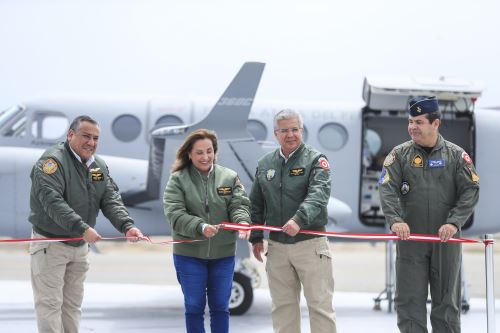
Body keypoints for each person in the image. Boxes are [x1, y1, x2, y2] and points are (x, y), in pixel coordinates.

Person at [28, 115, 145, 333]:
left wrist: (127, 226)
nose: (91, 142)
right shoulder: (52, 163)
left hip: (79, 248)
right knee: (50, 306)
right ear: (70, 135)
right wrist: (81, 228)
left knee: (72, 306)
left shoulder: (98, 167)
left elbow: (110, 199)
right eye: (86, 136)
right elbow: (52, 202)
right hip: (51, 246)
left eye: (95, 138)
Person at [379, 96, 480, 332]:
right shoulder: (399, 155)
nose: (412, 127)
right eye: (410, 121)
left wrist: (454, 223)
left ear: (436, 124)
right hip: (410, 240)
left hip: (445, 240)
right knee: (409, 302)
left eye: (419, 122)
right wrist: (395, 220)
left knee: (447, 303)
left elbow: (471, 190)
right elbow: (387, 188)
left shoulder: (456, 156)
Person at [249, 109, 337, 333]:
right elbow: (256, 203)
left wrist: (299, 219)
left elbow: (319, 194)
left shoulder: (316, 160)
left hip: (311, 244)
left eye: (295, 129)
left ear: (302, 130)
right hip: (277, 247)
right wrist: (256, 237)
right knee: (282, 308)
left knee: (320, 307)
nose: (290, 135)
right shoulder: (265, 163)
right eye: (285, 130)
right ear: (276, 133)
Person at [163, 128, 251, 333]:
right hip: (189, 256)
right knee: (194, 306)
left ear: (215, 152)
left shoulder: (229, 177)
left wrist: (242, 222)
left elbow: (239, 205)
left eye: (209, 151)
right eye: (199, 152)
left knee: (221, 306)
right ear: (189, 154)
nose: (205, 157)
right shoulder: (178, 180)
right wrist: (200, 227)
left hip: (223, 254)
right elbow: (174, 214)